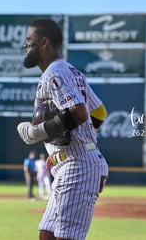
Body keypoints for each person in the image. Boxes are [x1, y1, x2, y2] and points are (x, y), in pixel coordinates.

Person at [17, 19, 109, 240]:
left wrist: (36, 133)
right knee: (46, 235)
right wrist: (62, 151)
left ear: (44, 42)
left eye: (29, 40)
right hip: (70, 162)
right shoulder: (71, 71)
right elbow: (100, 113)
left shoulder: (55, 73)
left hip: (78, 166)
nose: (25, 45)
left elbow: (79, 113)